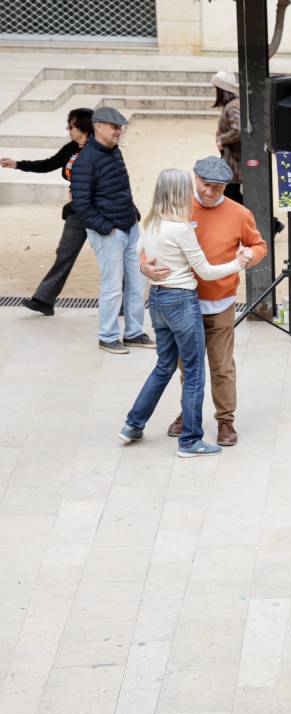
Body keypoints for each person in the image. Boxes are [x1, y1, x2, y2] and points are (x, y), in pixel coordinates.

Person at [118, 169, 253, 457]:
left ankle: (133, 423)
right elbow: (204, 270)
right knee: (193, 372)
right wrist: (237, 265)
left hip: (157, 300)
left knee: (165, 365)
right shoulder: (181, 228)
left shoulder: (152, 221)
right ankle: (191, 440)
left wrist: (146, 268)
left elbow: (139, 250)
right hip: (182, 301)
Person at [144, 157, 268, 447]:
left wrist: (251, 256)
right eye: (205, 184)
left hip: (220, 301)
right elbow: (149, 239)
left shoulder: (239, 213)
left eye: (218, 187)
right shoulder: (177, 207)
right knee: (188, 364)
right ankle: (189, 416)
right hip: (181, 301)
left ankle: (225, 419)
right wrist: (144, 266)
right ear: (195, 179)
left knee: (221, 365)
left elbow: (258, 244)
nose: (211, 191)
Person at [71, 106, 149, 355]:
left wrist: (133, 215)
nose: (120, 131)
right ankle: (107, 336)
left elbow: (121, 188)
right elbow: (81, 205)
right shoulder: (85, 160)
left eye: (121, 126)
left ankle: (134, 332)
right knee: (113, 286)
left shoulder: (114, 152)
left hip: (129, 227)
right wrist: (109, 230)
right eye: (115, 127)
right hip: (109, 234)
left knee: (137, 283)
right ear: (99, 127)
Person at [3, 107, 93, 316]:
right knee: (64, 253)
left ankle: (125, 302)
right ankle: (44, 300)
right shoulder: (72, 147)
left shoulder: (100, 149)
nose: (68, 129)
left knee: (110, 258)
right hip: (77, 211)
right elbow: (49, 164)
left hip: (98, 212)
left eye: (71, 126)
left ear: (83, 127)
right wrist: (17, 164)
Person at [211, 70, 242, 203]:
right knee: (232, 196)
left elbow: (238, 130)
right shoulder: (232, 105)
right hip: (232, 160)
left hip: (234, 161)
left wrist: (222, 139)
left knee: (230, 197)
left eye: (216, 88)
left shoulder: (232, 107)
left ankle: (274, 223)